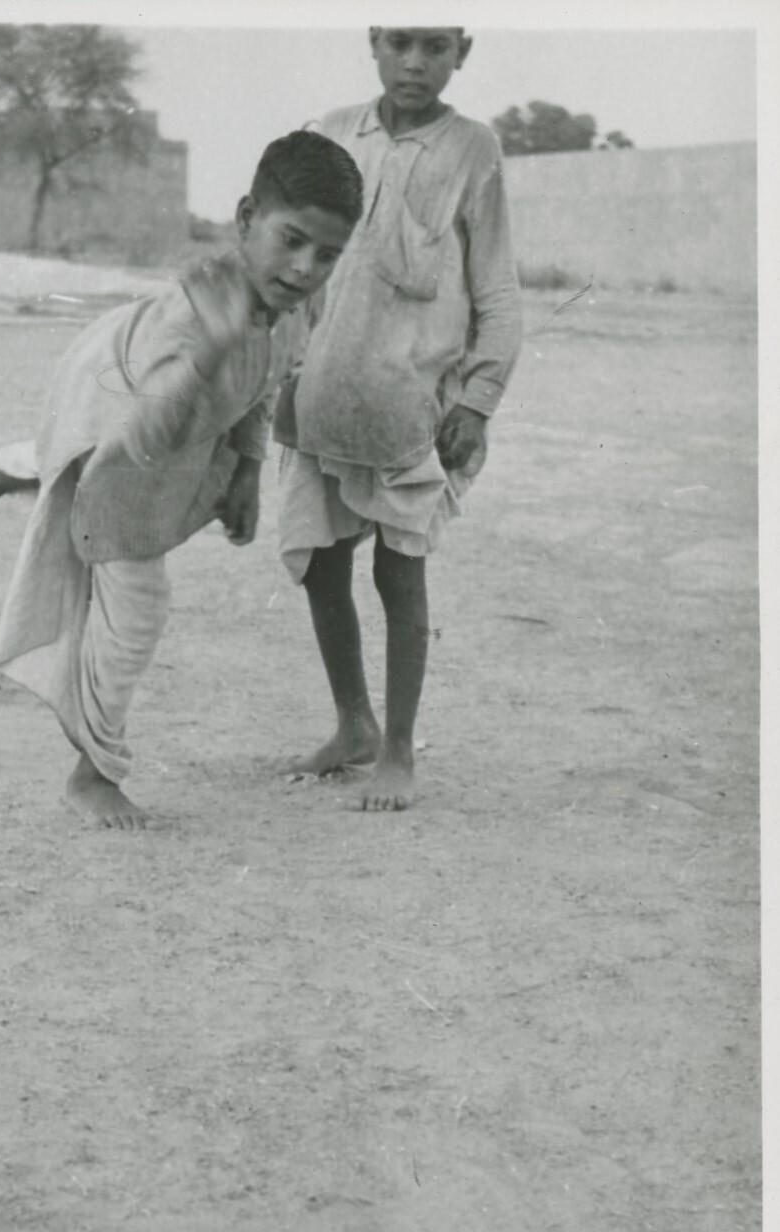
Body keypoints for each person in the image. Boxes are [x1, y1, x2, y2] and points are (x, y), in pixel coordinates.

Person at [0, 131, 362, 829]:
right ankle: (92, 775)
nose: (305, 268)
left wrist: (247, 469)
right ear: (246, 218)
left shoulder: (296, 304)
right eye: (291, 240)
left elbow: (266, 384)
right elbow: (140, 441)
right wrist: (210, 353)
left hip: (160, 434)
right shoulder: (192, 316)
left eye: (327, 255)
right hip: (127, 432)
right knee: (136, 606)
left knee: (77, 492)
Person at [278, 26, 522, 808]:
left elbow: (496, 287)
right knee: (320, 562)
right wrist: (279, 371)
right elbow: (288, 266)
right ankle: (353, 724)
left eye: (435, 47)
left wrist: (477, 401)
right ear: (374, 42)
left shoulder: (472, 149)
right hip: (324, 388)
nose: (415, 63)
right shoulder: (328, 133)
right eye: (401, 43)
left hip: (411, 398)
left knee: (398, 570)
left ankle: (397, 752)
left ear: (461, 53)